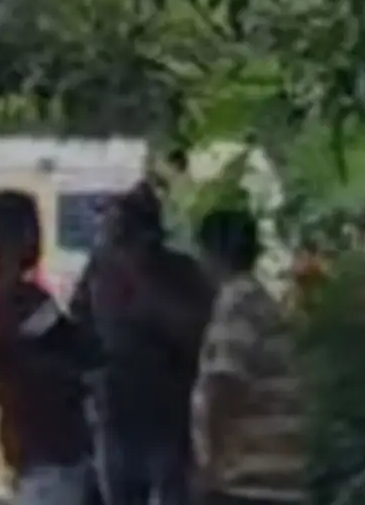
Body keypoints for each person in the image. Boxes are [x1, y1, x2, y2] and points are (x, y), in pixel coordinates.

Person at [71, 184, 213, 505]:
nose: (109, 235)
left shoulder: (180, 272)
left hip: (168, 415)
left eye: (119, 227)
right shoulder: (99, 271)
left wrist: (142, 283)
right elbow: (79, 329)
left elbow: (197, 333)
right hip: (115, 413)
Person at [0, 188, 96, 505]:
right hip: (53, 447)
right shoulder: (23, 300)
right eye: (32, 228)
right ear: (13, 234)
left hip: (26, 444)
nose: (38, 239)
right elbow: (83, 350)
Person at [191, 207, 305, 505]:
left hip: (250, 482)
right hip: (276, 476)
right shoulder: (258, 300)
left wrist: (211, 465)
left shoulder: (236, 303)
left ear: (209, 253)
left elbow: (224, 384)